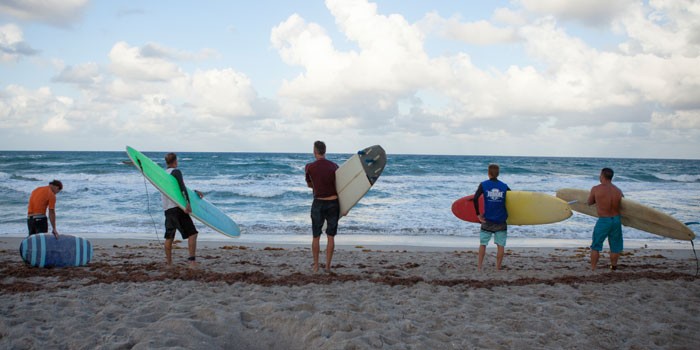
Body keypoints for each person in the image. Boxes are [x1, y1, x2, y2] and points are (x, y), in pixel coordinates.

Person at [305, 141, 340, 273]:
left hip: (318, 203)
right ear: (325, 151)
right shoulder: (334, 166)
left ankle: (315, 267)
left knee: (316, 236)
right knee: (330, 236)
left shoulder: (309, 167)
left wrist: (319, 185)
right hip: (333, 203)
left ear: (315, 151)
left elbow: (310, 185)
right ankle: (328, 267)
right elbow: (340, 186)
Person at [162, 153, 202, 266]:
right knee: (193, 234)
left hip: (167, 210)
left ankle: (169, 263)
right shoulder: (176, 172)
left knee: (169, 236)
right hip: (177, 208)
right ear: (175, 161)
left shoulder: (162, 175)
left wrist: (194, 193)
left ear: (166, 162)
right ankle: (192, 261)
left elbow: (175, 190)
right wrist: (188, 203)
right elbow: (182, 188)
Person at [474, 164, 510, 271]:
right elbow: (512, 201)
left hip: (487, 220)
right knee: (500, 245)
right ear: (498, 173)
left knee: (483, 244)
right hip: (501, 220)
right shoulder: (504, 186)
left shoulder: (483, 185)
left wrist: (478, 214)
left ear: (488, 173)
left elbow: (475, 199)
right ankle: (498, 267)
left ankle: (479, 267)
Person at [587, 167, 624, 271]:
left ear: (602, 176)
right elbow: (624, 205)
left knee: (596, 245)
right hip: (616, 220)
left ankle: (593, 268)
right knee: (615, 246)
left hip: (604, 220)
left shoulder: (596, 189)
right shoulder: (618, 190)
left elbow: (589, 202)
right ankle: (613, 267)